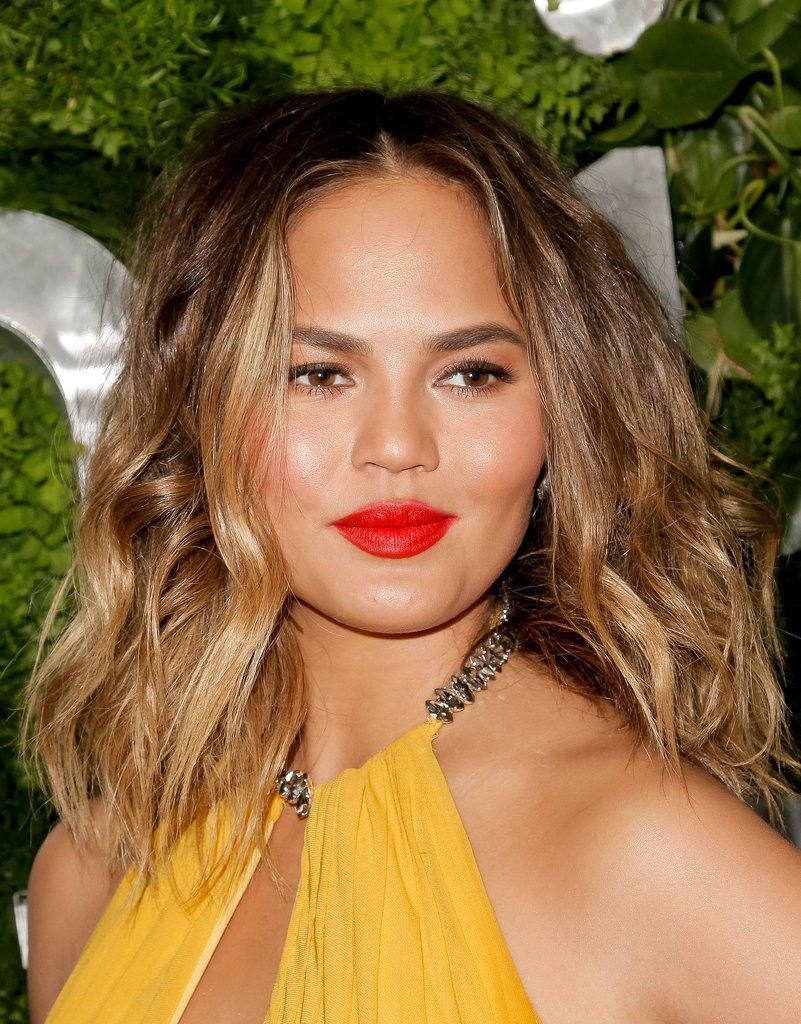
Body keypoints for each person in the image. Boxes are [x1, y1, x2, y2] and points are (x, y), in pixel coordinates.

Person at [20, 86, 801, 1024]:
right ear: (200, 411)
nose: (397, 446)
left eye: (469, 374)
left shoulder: (648, 855)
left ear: (564, 415)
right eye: (317, 374)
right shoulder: (96, 869)